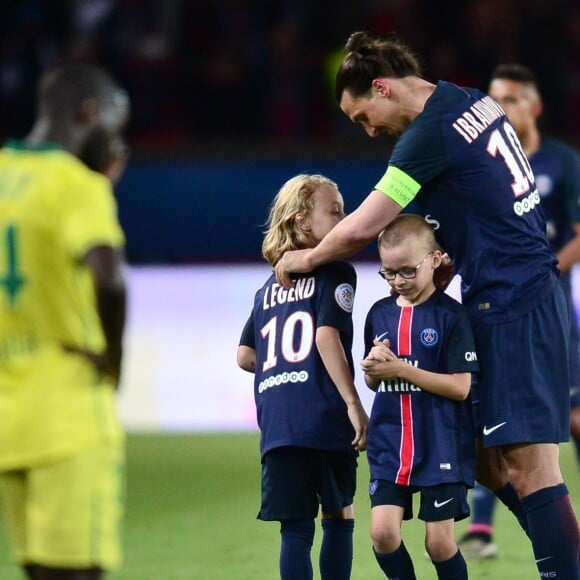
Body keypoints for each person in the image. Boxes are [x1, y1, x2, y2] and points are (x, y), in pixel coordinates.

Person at [274, 31, 580, 578]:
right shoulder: (469, 100)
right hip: (511, 297)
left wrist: (305, 259)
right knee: (486, 463)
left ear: (382, 87)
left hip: (515, 304)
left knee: (532, 470)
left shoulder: (426, 135)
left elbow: (362, 227)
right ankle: (568, 556)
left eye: (363, 115)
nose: (369, 130)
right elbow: (477, 207)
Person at [0, 63, 129, 580]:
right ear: (90, 113)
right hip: (67, 409)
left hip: (8, 412)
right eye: (114, 127)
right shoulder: (76, 184)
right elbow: (110, 278)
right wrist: (111, 362)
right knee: (76, 571)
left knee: (35, 569)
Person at [457, 62, 580, 560]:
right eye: (493, 99)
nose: (499, 109)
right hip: (497, 311)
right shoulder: (483, 163)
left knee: (567, 422)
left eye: (509, 99)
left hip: (544, 312)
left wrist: (543, 274)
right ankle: (485, 526)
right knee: (492, 426)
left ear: (534, 106)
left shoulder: (562, 162)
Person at [237, 173, 369, 580]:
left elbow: (244, 355)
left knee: (294, 529)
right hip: (323, 415)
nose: (344, 218)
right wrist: (352, 402)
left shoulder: (267, 288)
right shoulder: (337, 273)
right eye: (334, 211)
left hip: (278, 424)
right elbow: (326, 335)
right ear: (301, 222)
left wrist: (289, 367)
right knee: (338, 514)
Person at [361, 215, 478, 580]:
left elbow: (461, 387)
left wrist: (401, 369)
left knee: (439, 544)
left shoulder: (451, 316)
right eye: (389, 272)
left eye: (408, 271)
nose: (399, 281)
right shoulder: (379, 314)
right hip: (389, 443)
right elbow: (374, 383)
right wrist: (372, 370)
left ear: (435, 259)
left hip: (440, 444)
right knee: (382, 533)